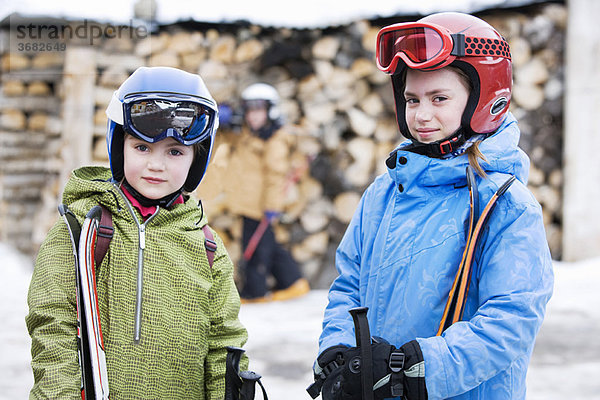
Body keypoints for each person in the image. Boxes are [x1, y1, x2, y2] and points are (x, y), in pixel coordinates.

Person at [310, 12, 554, 400]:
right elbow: (349, 286)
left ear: (484, 98)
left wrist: (420, 371)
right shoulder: (384, 193)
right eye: (412, 99)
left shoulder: (506, 206)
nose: (422, 115)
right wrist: (340, 351)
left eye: (439, 98)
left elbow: (511, 319)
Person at [26, 66, 248, 399]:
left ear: (196, 161)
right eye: (142, 148)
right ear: (119, 147)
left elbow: (224, 345)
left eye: (174, 152)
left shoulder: (207, 248)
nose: (156, 165)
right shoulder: (80, 230)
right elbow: (51, 325)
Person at [224, 83, 309, 303]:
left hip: (261, 205)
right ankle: (292, 282)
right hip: (249, 202)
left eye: (258, 111)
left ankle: (255, 291)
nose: (253, 117)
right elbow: (230, 135)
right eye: (249, 111)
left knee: (255, 250)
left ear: (270, 111)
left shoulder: (275, 140)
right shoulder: (250, 135)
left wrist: (272, 206)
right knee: (268, 244)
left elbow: (275, 176)